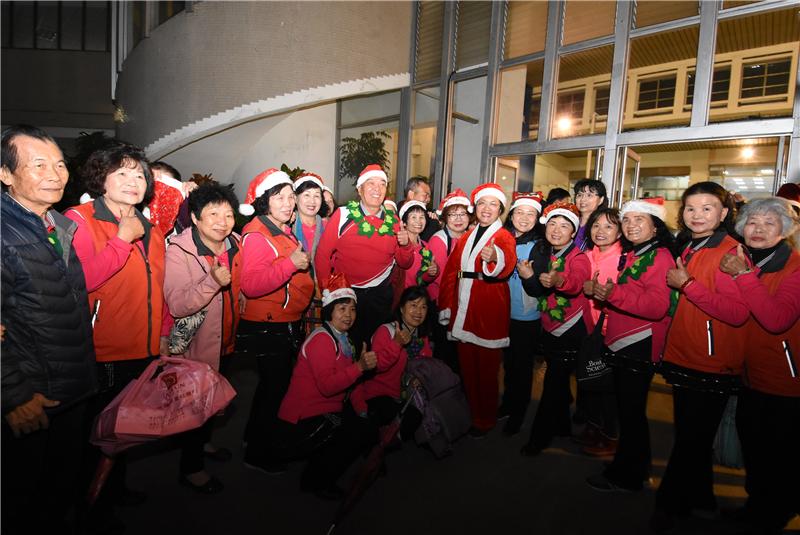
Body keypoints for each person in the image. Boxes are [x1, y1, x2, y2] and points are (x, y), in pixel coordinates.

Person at [1, 125, 97, 535]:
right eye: (38, 165)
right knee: (22, 502)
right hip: (30, 395)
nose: (55, 174)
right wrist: (13, 395)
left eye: (59, 164)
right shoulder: (5, 234)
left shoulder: (57, 225)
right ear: (6, 175)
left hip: (69, 388)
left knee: (57, 492)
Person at [65, 142, 166, 517]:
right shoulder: (80, 218)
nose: (132, 181)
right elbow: (80, 281)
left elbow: (158, 284)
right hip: (101, 349)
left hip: (142, 347)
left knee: (123, 429)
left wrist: (164, 329)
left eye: (139, 174)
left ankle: (114, 489)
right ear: (101, 178)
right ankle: (87, 508)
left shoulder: (149, 226)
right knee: (94, 436)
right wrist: (121, 241)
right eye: (121, 173)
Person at [652, 182, 749, 532]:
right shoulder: (692, 245)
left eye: (707, 208)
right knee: (693, 437)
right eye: (691, 208)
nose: (697, 215)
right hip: (686, 354)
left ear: (724, 213)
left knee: (690, 440)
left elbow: (737, 312)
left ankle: (667, 506)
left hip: (712, 361)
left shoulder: (729, 251)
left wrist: (687, 284)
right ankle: (702, 499)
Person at [718, 197, 800, 534]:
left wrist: (743, 277)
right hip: (749, 375)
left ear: (785, 231)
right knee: (755, 449)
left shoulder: (794, 268)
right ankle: (757, 506)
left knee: (779, 455)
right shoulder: (746, 260)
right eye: (753, 222)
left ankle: (774, 514)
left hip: (786, 381)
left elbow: (776, 319)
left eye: (769, 223)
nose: (759, 229)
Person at [584, 198, 674, 493]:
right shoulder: (639, 253)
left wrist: (612, 295)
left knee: (631, 415)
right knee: (630, 413)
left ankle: (627, 476)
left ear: (655, 226)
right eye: (627, 220)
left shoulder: (659, 257)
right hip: (625, 342)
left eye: (640, 220)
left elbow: (657, 306)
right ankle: (636, 466)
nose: (631, 225)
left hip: (638, 344)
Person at [163, 183, 242, 494]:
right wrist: (211, 282)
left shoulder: (234, 243)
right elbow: (178, 304)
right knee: (195, 408)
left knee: (212, 403)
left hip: (226, 340)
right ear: (195, 217)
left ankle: (203, 444)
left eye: (228, 214)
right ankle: (191, 469)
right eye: (213, 214)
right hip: (197, 348)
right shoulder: (179, 250)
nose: (222, 221)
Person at [237, 168, 315, 474]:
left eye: (290, 197)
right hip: (269, 323)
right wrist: (291, 264)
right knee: (275, 390)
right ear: (264, 201)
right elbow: (251, 285)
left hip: (281, 319)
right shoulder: (258, 234)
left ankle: (251, 439)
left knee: (269, 387)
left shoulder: (278, 228)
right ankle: (259, 454)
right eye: (278, 197)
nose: (287, 203)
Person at [276, 273, 378, 499]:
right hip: (303, 417)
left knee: (365, 424)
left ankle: (322, 468)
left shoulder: (344, 338)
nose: (349, 315)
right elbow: (328, 387)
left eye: (352, 309)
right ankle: (315, 481)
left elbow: (352, 385)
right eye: (342, 309)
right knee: (352, 433)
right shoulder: (323, 339)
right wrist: (360, 366)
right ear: (329, 310)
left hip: (327, 409)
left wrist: (362, 410)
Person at [438, 183, 517, 437]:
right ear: (476, 208)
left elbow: (506, 264)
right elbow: (451, 272)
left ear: (500, 210)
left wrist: (494, 256)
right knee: (468, 370)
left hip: (488, 309)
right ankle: (473, 414)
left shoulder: (504, 236)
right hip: (463, 308)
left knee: (486, 372)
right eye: (482, 203)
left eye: (493, 204)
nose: (487, 209)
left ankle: (486, 419)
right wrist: (447, 306)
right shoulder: (466, 237)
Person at [315, 164, 415, 349]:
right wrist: (326, 289)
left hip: (380, 296)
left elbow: (405, 262)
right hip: (345, 295)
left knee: (376, 348)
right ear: (359, 189)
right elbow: (322, 254)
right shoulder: (343, 215)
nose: (377, 189)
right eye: (371, 183)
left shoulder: (393, 220)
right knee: (345, 349)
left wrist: (406, 244)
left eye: (382, 184)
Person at [520, 201, 592, 456]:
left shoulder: (578, 257)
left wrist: (559, 279)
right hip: (550, 327)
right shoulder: (546, 254)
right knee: (559, 383)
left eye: (564, 226)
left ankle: (538, 438)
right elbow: (540, 291)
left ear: (573, 233)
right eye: (553, 224)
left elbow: (577, 282)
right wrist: (530, 277)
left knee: (552, 385)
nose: (557, 230)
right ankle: (562, 426)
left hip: (571, 331)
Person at [573, 207, 623, 456]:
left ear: (619, 231)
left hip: (609, 330)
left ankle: (609, 436)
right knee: (590, 381)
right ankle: (593, 427)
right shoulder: (587, 254)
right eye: (595, 226)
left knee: (608, 388)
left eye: (608, 226)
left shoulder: (623, 258)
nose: (600, 232)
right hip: (587, 327)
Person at [351, 285, 432, 436]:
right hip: (378, 395)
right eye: (413, 305)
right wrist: (397, 344)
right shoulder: (386, 330)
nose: (418, 312)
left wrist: (419, 378)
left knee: (417, 416)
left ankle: (387, 441)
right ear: (401, 309)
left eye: (423, 307)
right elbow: (377, 365)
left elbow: (426, 365)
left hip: (403, 396)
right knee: (386, 412)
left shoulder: (422, 338)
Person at [497, 192, 543, 436]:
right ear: (511, 214)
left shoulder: (540, 245)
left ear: (537, 218)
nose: (524, 218)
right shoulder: (502, 239)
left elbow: (540, 289)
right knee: (507, 365)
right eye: (520, 212)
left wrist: (530, 277)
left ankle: (518, 412)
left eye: (530, 213)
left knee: (522, 368)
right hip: (501, 313)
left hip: (526, 317)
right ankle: (507, 404)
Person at [428, 189, 472, 374]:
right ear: (444, 218)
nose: (458, 218)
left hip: (463, 304)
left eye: (462, 213)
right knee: (445, 354)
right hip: (443, 304)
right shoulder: (439, 240)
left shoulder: (470, 238)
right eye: (453, 214)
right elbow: (443, 278)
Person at [292, 173, 329, 334]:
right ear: (295, 198)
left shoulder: (328, 226)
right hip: (292, 294)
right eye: (306, 195)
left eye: (316, 195)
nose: (312, 201)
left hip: (321, 295)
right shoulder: (286, 225)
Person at [397, 200, 439, 290]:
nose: (418, 221)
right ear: (404, 223)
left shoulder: (426, 246)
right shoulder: (398, 244)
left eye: (422, 217)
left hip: (419, 297)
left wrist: (432, 272)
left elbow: (423, 279)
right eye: (413, 217)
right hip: (400, 298)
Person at [573, 179, 608, 251]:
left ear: (601, 200)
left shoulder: (602, 225)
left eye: (589, 195)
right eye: (579, 195)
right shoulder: (571, 221)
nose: (583, 199)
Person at [400, 175, 438, 241]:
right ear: (411, 194)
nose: (428, 199)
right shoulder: (392, 213)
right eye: (425, 195)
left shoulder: (431, 220)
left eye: (429, 196)